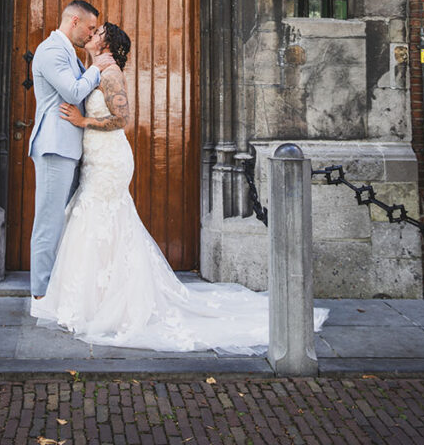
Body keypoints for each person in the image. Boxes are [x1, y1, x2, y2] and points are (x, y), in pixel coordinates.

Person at [32, 21, 329, 354]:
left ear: (109, 46)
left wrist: (82, 121)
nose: (91, 36)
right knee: (96, 219)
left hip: (110, 159)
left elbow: (122, 118)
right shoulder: (93, 69)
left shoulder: (111, 73)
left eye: (98, 33)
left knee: (100, 216)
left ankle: (107, 303)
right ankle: (95, 298)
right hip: (95, 157)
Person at [28, 0, 115, 307]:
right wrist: (99, 66)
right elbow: (74, 92)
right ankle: (40, 293)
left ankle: (58, 287)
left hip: (69, 148)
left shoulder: (69, 54)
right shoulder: (51, 51)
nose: (90, 35)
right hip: (55, 146)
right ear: (74, 20)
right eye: (90, 28)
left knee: (64, 219)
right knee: (49, 220)